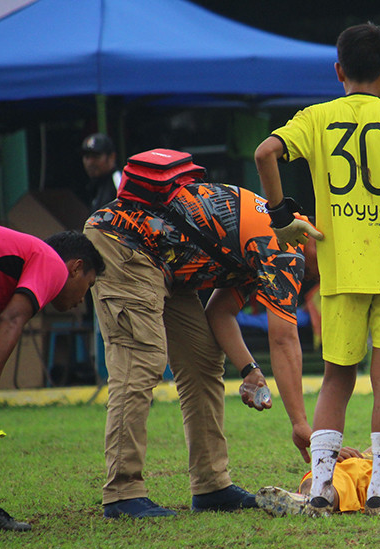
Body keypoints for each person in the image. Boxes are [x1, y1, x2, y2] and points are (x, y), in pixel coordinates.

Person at [254, 22, 380, 517]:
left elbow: (266, 153)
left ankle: (323, 490)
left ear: (339, 70)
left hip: (340, 267)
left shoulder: (315, 117)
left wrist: (282, 217)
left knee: (335, 378)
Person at [83, 150, 312, 519]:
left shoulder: (263, 250)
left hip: (167, 263)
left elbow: (220, 313)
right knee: (141, 359)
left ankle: (211, 485)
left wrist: (250, 370)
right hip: (126, 242)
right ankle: (122, 492)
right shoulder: (287, 247)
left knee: (202, 359)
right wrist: (300, 424)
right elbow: (284, 338)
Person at [0, 223, 104, 534]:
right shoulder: (51, 263)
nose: (84, 299)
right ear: (76, 267)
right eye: (90, 284)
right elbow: (12, 318)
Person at [81, 133, 123, 213]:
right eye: (87, 157)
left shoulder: (118, 180)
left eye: (96, 156)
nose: (90, 162)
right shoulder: (93, 187)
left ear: (111, 157)